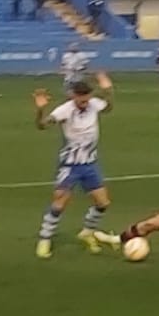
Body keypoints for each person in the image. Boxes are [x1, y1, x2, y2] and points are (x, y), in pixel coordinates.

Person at [31, 72, 118, 259]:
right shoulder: (65, 110)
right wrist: (40, 110)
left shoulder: (94, 104)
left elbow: (109, 108)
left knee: (103, 203)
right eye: (81, 97)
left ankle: (87, 231)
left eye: (87, 96)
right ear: (73, 96)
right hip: (70, 165)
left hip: (90, 164)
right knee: (59, 203)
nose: (85, 100)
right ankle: (45, 238)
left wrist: (109, 90)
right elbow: (42, 125)